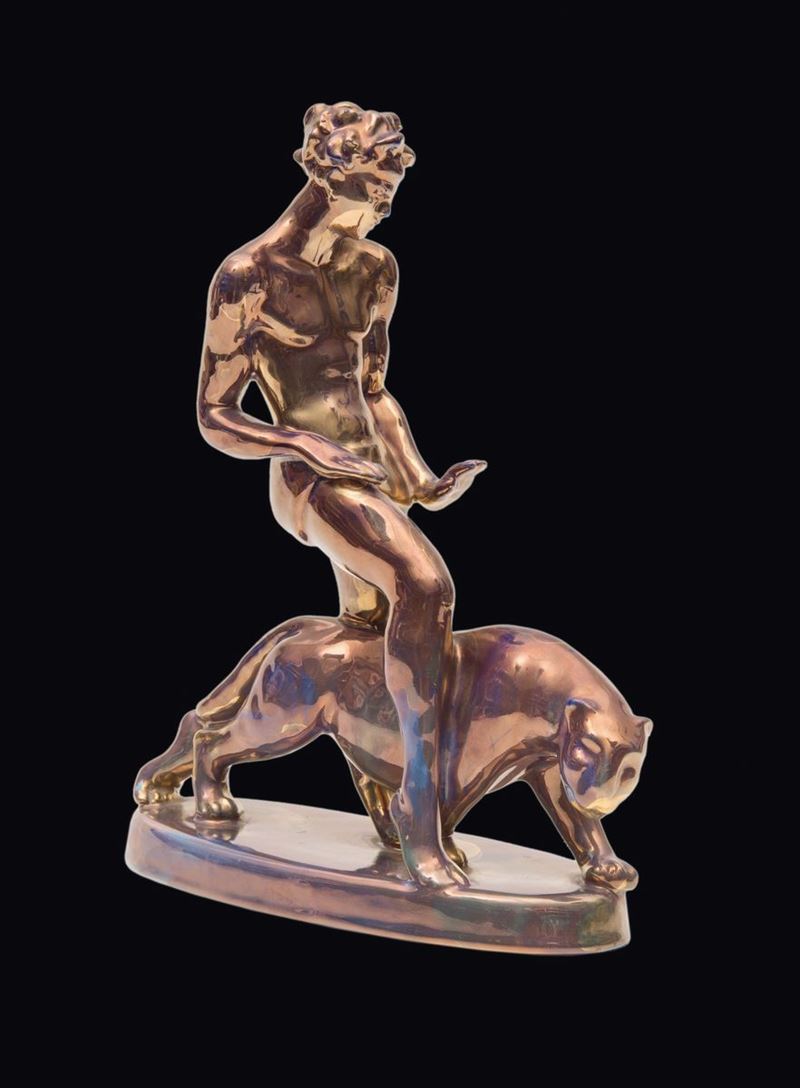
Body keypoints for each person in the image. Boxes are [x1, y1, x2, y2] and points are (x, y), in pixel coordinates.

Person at [195, 101, 486, 888]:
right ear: (328, 174)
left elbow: (376, 391)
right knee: (427, 588)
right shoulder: (248, 275)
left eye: (393, 187)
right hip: (309, 482)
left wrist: (419, 477)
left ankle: (351, 781)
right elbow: (214, 415)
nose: (386, 203)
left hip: (372, 477)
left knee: (370, 634)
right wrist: (298, 443)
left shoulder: (375, 269)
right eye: (377, 185)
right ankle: (422, 814)